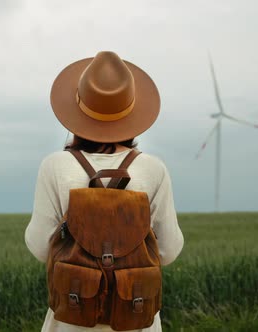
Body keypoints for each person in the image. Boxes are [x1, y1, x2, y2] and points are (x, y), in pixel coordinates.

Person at [25, 51, 184, 332]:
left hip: (71, 319)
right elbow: (168, 250)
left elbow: (40, 246)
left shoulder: (55, 167)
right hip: (135, 319)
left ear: (78, 112)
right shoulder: (153, 169)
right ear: (132, 112)